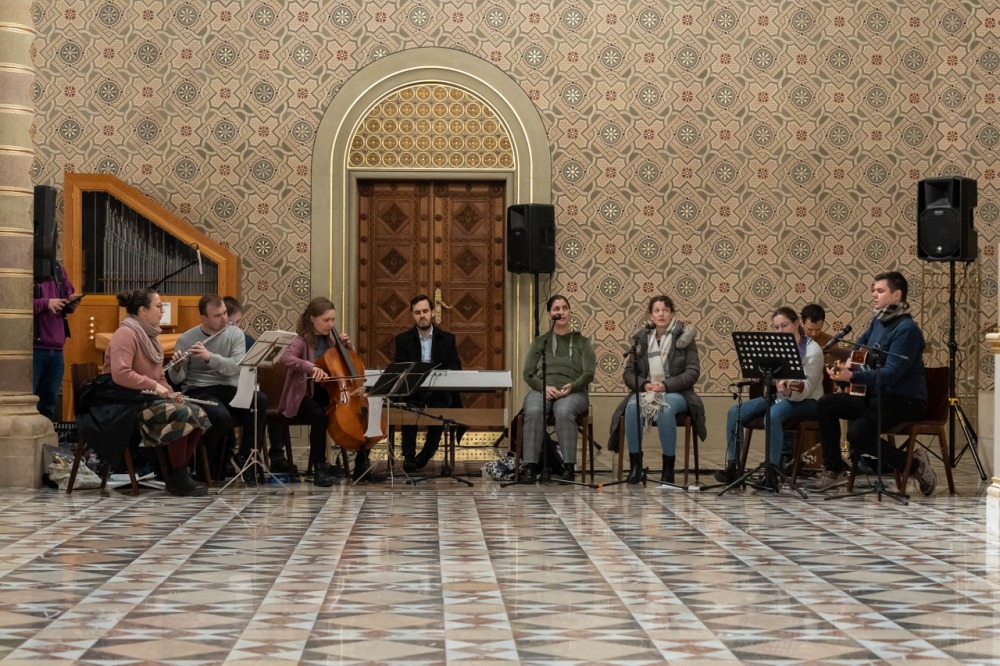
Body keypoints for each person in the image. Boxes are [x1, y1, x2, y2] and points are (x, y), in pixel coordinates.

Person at [811, 271, 937, 495]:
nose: (874, 295)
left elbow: (891, 374)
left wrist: (853, 376)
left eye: (880, 291)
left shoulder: (907, 329)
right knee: (826, 404)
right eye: (873, 291)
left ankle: (915, 465)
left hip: (904, 401)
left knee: (857, 434)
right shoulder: (878, 321)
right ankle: (834, 469)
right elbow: (860, 345)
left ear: (897, 295)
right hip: (877, 396)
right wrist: (847, 364)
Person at [104, 288, 211, 496]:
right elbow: (121, 374)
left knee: (197, 412)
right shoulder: (125, 333)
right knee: (181, 414)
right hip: (126, 404)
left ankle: (178, 472)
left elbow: (159, 376)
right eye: (159, 306)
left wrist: (171, 392)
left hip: (145, 399)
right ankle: (177, 476)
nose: (162, 311)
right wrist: (155, 387)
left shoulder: (150, 336)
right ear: (143, 310)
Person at [714, 307, 824, 489]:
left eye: (784, 325)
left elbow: (807, 389)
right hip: (780, 397)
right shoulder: (777, 348)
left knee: (772, 416)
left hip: (808, 401)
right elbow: (773, 377)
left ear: (796, 323)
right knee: (735, 412)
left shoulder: (812, 350)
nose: (780, 331)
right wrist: (761, 376)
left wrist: (787, 390)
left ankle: (771, 472)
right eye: (776, 327)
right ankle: (733, 468)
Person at [279, 297, 380, 485]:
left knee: (364, 411)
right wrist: (311, 367)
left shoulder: (331, 341)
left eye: (332, 319)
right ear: (312, 318)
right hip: (304, 396)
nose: (331, 324)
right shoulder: (300, 341)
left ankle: (362, 465)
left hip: (330, 394)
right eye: (326, 320)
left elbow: (345, 367)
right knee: (318, 415)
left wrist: (347, 348)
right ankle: (320, 468)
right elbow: (286, 357)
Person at [611, 295, 707, 485]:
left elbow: (693, 372)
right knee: (632, 407)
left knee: (664, 407)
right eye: (656, 310)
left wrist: (666, 385)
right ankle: (636, 466)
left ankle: (668, 469)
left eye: (665, 310)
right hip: (647, 390)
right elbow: (629, 373)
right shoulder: (642, 339)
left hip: (677, 393)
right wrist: (644, 385)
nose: (661, 314)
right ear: (650, 315)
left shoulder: (685, 338)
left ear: (672, 313)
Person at [167, 294, 262, 484]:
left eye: (225, 313)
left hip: (228, 387)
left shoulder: (235, 334)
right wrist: (176, 367)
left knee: (259, 400)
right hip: (199, 389)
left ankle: (244, 459)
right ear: (204, 318)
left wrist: (209, 357)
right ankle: (205, 465)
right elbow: (178, 379)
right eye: (218, 316)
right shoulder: (187, 338)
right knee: (220, 416)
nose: (224, 319)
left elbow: (236, 367)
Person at [520, 295, 595, 482]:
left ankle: (568, 467)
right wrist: (543, 387)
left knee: (563, 411)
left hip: (573, 391)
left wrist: (573, 386)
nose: (561, 312)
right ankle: (530, 467)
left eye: (564, 308)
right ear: (549, 314)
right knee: (534, 410)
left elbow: (589, 373)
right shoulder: (540, 342)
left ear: (569, 312)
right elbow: (528, 374)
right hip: (543, 388)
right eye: (556, 309)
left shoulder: (582, 342)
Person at [223, 295, 293, 473]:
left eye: (239, 322)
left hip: (249, 387)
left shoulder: (248, 340)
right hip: (228, 389)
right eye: (231, 323)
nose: (236, 327)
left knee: (269, 398)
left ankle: (276, 455)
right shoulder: (219, 341)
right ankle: (228, 456)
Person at [394, 294, 463, 472]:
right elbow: (400, 367)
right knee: (409, 406)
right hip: (414, 388)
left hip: (439, 388)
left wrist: (443, 374)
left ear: (433, 312)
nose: (422, 316)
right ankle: (409, 456)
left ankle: (427, 453)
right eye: (417, 312)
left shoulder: (447, 338)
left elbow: (455, 365)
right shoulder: (403, 340)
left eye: (425, 311)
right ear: (412, 315)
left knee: (439, 407)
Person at [32, 262, 81, 420]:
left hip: (57, 348)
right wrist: (46, 303)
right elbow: (15, 304)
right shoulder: (25, 267)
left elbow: (67, 295)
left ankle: (46, 434)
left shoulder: (57, 268)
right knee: (27, 401)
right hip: (33, 348)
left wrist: (71, 302)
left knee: (49, 402)